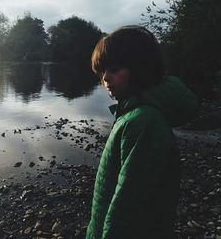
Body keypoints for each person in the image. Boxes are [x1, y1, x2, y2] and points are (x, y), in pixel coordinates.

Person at [85, 26, 199, 239]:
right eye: (102, 71)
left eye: (115, 69)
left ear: (140, 68)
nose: (105, 78)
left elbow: (128, 207)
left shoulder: (144, 121)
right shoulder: (132, 113)